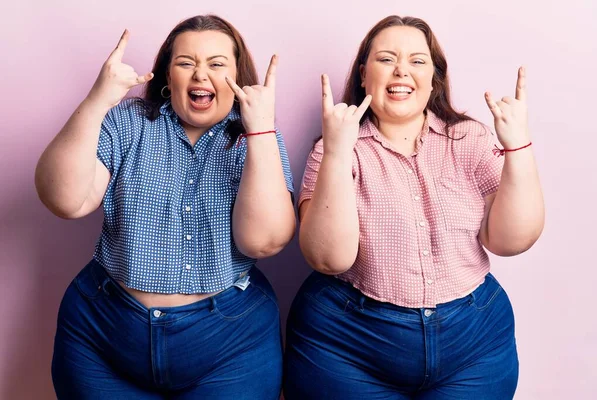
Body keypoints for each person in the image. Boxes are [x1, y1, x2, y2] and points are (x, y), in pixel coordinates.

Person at [283, 15, 544, 400]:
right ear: (363, 75)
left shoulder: (469, 138)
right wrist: (338, 152)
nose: (402, 70)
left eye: (418, 61)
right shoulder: (333, 149)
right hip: (347, 344)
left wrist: (518, 145)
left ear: (434, 77)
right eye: (386, 59)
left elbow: (510, 241)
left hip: (473, 345)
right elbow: (328, 258)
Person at [35, 14, 295, 399]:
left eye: (217, 64)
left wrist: (260, 129)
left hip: (229, 344)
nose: (200, 75)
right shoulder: (127, 121)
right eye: (186, 63)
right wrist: (97, 100)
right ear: (166, 76)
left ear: (237, 77)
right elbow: (66, 200)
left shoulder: (256, 136)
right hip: (104, 333)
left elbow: (264, 242)